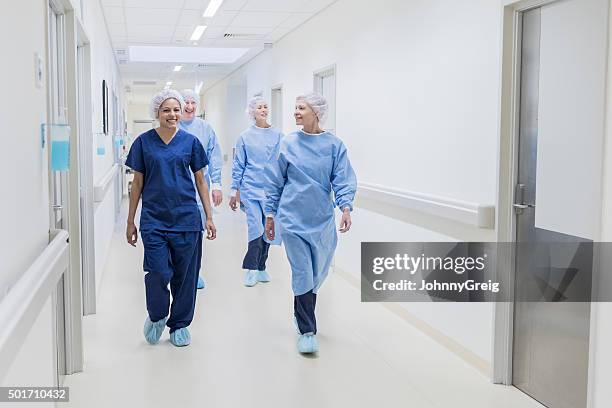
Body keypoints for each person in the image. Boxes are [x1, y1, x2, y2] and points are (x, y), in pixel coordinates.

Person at [264, 92, 356, 354]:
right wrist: (270, 214)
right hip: (292, 218)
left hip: (322, 220)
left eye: (301, 108)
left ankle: (300, 310)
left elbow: (342, 178)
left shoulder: (334, 146)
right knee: (303, 272)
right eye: (295, 107)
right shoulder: (287, 144)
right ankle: (307, 329)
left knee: (317, 274)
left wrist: (346, 207)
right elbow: (274, 181)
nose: (295, 112)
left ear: (316, 112)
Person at [125, 89, 216, 347]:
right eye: (166, 110)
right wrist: (131, 220)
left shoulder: (190, 142)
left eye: (176, 110)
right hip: (154, 219)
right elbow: (137, 182)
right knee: (157, 272)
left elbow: (200, 181)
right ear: (157, 113)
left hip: (187, 219)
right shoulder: (143, 143)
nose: (172, 114)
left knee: (186, 277)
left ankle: (179, 325)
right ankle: (157, 315)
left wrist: (209, 216)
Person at [229, 96, 283, 286]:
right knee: (256, 228)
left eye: (265, 106)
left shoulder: (278, 135)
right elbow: (239, 165)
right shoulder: (245, 136)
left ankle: (262, 267)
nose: (263, 109)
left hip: (270, 190)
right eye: (259, 107)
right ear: (252, 111)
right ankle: (251, 268)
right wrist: (233, 190)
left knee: (268, 230)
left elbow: (281, 163)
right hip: (250, 189)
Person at [178, 89, 223, 290]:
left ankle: (193, 272)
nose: (189, 106)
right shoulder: (172, 126)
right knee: (177, 235)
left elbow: (214, 157)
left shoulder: (206, 128)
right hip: (175, 190)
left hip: (199, 189)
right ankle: (180, 271)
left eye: (193, 102)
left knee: (196, 232)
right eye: (185, 102)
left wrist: (217, 184)